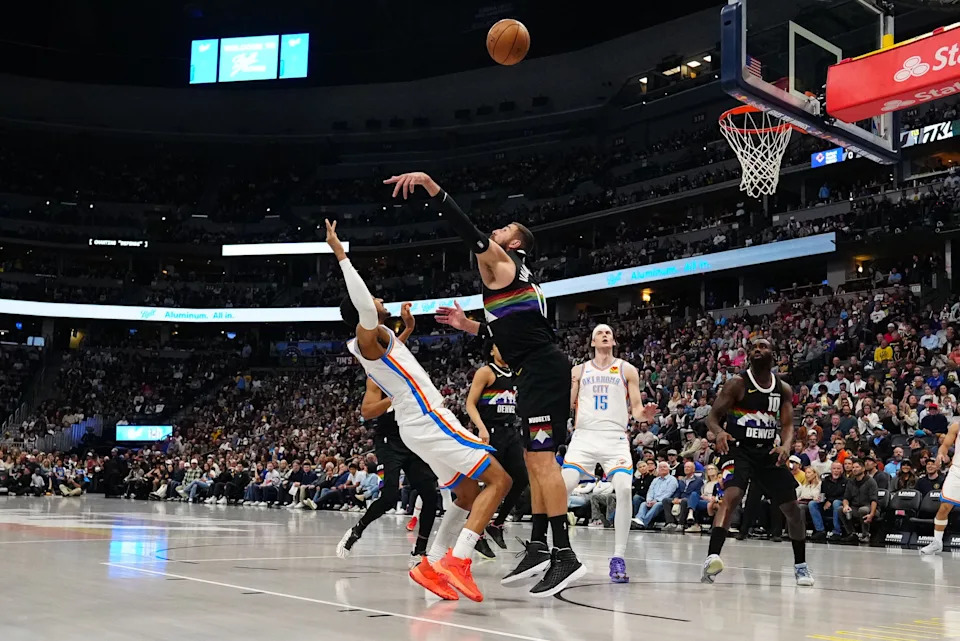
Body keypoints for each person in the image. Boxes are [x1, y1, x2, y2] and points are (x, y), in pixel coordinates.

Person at [396, 171, 584, 596]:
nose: (495, 232)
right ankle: (539, 546)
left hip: (541, 370)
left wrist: (431, 187)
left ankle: (565, 555)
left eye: (504, 231)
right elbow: (514, 334)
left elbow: (469, 230)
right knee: (537, 462)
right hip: (535, 367)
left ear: (513, 244)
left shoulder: (501, 262)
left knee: (542, 463)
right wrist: (469, 327)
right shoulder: (520, 280)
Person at [327, 219, 511, 603]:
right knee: (500, 481)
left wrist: (407, 329)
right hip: (428, 419)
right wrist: (341, 255)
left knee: (465, 493)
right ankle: (458, 561)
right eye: (374, 301)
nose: (379, 300)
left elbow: (396, 361)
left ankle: (429, 564)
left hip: (418, 424)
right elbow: (363, 304)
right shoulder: (366, 335)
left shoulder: (379, 339)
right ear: (361, 313)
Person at [701, 338, 814, 587]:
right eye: (753, 348)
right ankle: (712, 558)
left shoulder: (782, 388)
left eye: (763, 346)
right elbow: (712, 417)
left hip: (767, 453)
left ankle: (801, 566)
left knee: (793, 510)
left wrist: (785, 446)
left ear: (774, 354)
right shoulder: (737, 384)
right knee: (731, 496)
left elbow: (786, 425)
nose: (757, 350)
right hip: (739, 450)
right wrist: (719, 432)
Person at [335, 303, 441, 567]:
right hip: (388, 441)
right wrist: (393, 398)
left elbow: (394, 349)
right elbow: (367, 411)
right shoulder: (377, 379)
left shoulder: (396, 362)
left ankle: (419, 550)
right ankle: (356, 531)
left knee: (430, 493)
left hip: (411, 437)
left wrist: (408, 329)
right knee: (390, 495)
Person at [562, 324, 657, 582]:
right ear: (592, 342)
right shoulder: (579, 370)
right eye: (600, 333)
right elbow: (568, 404)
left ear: (613, 340)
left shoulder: (627, 369)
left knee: (625, 489)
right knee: (561, 488)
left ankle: (618, 557)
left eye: (609, 333)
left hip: (614, 437)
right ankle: (559, 551)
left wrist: (644, 416)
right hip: (584, 436)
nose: (605, 335)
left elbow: (636, 409)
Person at [465, 340, 529, 558]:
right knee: (492, 483)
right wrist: (481, 428)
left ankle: (497, 523)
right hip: (492, 432)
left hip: (512, 431)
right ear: (492, 350)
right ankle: (477, 533)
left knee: (520, 479)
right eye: (499, 345)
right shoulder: (485, 372)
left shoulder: (514, 373)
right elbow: (470, 404)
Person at [920, 420, 960, 554]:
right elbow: (945, 445)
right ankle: (937, 542)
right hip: (957, 471)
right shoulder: (956, 426)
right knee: (944, 507)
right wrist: (940, 454)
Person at [840, 459, 879, 544]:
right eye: (853, 467)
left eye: (857, 467)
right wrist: (846, 506)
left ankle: (866, 535)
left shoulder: (871, 481)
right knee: (840, 509)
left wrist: (872, 514)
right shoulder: (851, 482)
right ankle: (851, 533)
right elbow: (846, 498)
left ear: (863, 469)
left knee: (863, 510)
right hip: (855, 507)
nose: (854, 469)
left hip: (869, 508)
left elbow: (874, 500)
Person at [810, 461, 847, 541]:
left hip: (840, 503)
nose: (836, 470)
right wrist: (820, 499)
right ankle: (820, 530)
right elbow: (823, 493)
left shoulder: (846, 481)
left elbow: (845, 496)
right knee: (812, 504)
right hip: (826, 502)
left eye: (838, 468)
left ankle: (837, 532)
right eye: (834, 468)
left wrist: (830, 501)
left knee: (836, 503)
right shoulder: (825, 481)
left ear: (842, 470)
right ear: (831, 469)